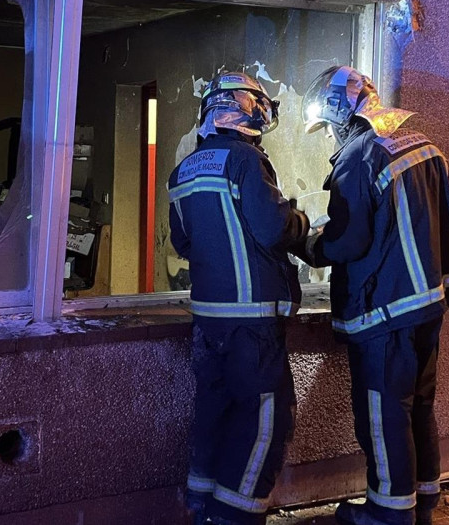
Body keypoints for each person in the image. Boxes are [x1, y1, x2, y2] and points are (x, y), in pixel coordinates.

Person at [299, 66, 449, 525]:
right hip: (426, 304)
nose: (329, 135)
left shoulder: (359, 155)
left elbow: (348, 241)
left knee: (383, 416)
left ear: (340, 111)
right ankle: (422, 505)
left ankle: (387, 514)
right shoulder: (421, 144)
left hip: (384, 312)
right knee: (418, 407)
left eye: (327, 125)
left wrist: (309, 243)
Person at [169, 71, 309, 525]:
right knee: (267, 418)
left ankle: (201, 504)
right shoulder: (245, 161)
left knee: (216, 408)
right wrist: (302, 222)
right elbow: (271, 228)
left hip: (208, 322)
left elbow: (184, 244)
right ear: (250, 108)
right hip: (252, 321)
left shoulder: (183, 170)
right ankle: (235, 517)